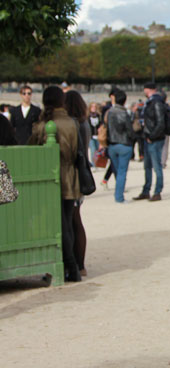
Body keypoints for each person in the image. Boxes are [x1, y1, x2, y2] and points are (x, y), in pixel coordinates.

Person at [30, 85, 81, 282]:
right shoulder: (72, 122)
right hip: (70, 175)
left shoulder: (45, 124)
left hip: (53, 176)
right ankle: (73, 267)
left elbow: (32, 149)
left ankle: (70, 267)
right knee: (68, 222)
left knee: (59, 225)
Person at [64, 90, 91, 275]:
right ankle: (79, 265)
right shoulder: (85, 123)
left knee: (73, 220)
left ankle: (77, 265)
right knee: (76, 219)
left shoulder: (74, 124)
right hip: (81, 175)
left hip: (72, 176)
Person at [134, 82, 166, 201]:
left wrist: (152, 136)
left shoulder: (156, 102)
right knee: (147, 166)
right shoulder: (151, 101)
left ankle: (157, 191)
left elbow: (160, 122)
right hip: (149, 138)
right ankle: (146, 190)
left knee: (156, 166)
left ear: (148, 89)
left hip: (154, 139)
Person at [106, 89, 135, 203]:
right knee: (122, 172)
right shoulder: (124, 113)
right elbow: (129, 130)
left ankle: (118, 194)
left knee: (117, 171)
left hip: (112, 144)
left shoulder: (110, 112)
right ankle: (119, 197)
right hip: (124, 144)